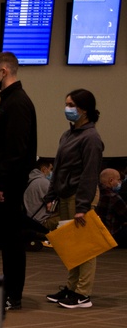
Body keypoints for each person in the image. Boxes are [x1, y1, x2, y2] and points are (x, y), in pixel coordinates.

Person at [0, 51, 38, 311]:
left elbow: (15, 151)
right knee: (8, 240)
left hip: (9, 185)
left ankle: (12, 294)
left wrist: (0, 183)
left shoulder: (17, 104)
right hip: (5, 182)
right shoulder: (10, 100)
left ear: (4, 71)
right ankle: (9, 289)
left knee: (12, 241)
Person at [43, 89, 104, 309]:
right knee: (71, 245)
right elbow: (58, 168)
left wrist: (83, 206)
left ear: (84, 109)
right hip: (67, 194)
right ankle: (71, 287)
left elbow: (90, 173)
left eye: (71, 105)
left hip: (82, 195)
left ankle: (83, 293)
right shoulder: (68, 135)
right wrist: (51, 194)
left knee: (85, 246)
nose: (67, 108)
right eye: (66, 104)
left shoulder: (91, 138)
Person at [96, 168, 127, 246]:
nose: (120, 182)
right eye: (119, 180)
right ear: (111, 180)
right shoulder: (113, 197)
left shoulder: (95, 192)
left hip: (97, 233)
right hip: (112, 235)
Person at [24, 159, 55, 231]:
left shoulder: (31, 180)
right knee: (67, 217)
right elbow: (52, 206)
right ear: (44, 169)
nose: (51, 172)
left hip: (31, 220)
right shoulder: (43, 182)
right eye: (50, 169)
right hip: (41, 222)